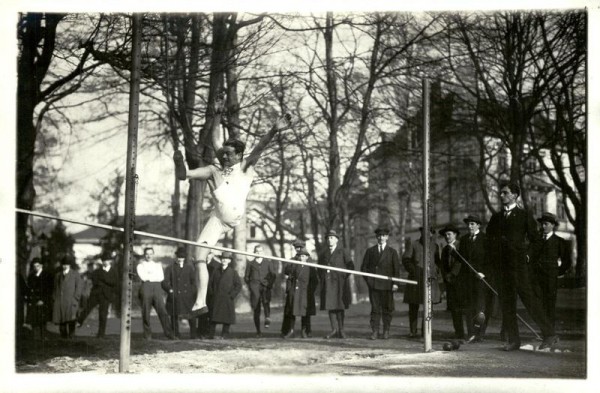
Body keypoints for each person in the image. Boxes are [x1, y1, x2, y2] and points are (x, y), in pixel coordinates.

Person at [173, 112, 291, 318]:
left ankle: (186, 173)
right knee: (198, 256)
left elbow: (260, 146)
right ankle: (200, 303)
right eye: (224, 154)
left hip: (232, 209)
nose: (225, 157)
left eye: (228, 154)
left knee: (211, 169)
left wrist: (274, 129)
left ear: (239, 156)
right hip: (219, 216)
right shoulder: (221, 168)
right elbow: (215, 139)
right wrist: (217, 113)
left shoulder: (245, 166)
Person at [487, 182, 558, 351]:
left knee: (529, 300)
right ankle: (514, 340)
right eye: (501, 193)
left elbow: (536, 240)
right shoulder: (496, 218)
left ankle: (549, 334)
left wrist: (527, 255)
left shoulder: (524, 215)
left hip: (519, 266)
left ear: (514, 195)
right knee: (507, 304)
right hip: (502, 267)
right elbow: (489, 240)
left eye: (505, 193)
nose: (501, 195)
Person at [529, 212, 572, 331]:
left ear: (553, 225)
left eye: (546, 224)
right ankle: (544, 331)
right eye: (542, 224)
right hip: (536, 278)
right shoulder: (536, 241)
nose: (543, 227)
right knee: (538, 305)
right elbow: (530, 258)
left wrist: (556, 273)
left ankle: (550, 332)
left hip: (550, 279)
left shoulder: (559, 241)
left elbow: (566, 261)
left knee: (549, 304)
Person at [458, 214, 495, 343]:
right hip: (467, 279)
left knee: (480, 308)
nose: (470, 226)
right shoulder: (463, 240)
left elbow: (491, 260)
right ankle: (471, 333)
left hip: (481, 278)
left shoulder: (486, 239)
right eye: (468, 224)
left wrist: (484, 273)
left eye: (472, 224)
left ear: (478, 225)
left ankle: (480, 333)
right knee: (469, 307)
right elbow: (462, 260)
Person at [361, 227, 401, 340]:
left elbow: (396, 270)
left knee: (387, 309)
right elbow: (364, 268)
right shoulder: (370, 251)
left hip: (387, 286)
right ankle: (375, 331)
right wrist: (369, 281)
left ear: (387, 237)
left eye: (383, 235)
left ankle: (386, 331)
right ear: (376, 237)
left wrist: (395, 283)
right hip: (374, 286)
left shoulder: (392, 252)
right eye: (379, 235)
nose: (381, 238)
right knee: (375, 309)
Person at [402, 226, 441, 338]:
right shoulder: (414, 244)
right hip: (416, 279)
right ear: (421, 233)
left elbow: (438, 262)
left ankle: (426, 332)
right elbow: (406, 259)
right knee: (413, 306)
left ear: (432, 234)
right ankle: (413, 331)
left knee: (428, 307)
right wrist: (414, 271)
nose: (427, 234)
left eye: (429, 232)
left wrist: (435, 271)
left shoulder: (435, 246)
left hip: (430, 280)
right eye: (424, 232)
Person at [439, 224, 474, 341]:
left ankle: (471, 334)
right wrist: (445, 278)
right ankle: (459, 333)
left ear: (455, 235)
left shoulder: (461, 246)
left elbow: (460, 263)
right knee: (454, 309)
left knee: (466, 308)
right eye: (445, 235)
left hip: (462, 282)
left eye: (449, 234)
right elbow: (443, 266)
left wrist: (452, 274)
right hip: (450, 284)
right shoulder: (445, 249)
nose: (447, 236)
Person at [318, 230, 354, 339]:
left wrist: (343, 276)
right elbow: (319, 268)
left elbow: (351, 266)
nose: (330, 240)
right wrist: (323, 277)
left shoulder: (342, 251)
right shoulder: (323, 253)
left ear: (337, 240)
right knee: (331, 306)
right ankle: (334, 330)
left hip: (339, 284)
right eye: (328, 238)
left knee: (339, 306)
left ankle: (341, 330)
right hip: (328, 284)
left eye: (332, 238)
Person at [136, 247, 175, 340]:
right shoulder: (140, 266)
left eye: (150, 253)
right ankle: (147, 334)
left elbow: (160, 277)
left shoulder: (157, 265)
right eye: (147, 254)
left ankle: (169, 333)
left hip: (157, 288)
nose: (149, 256)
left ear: (153, 254)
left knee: (162, 311)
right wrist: (152, 276)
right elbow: (144, 277)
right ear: (144, 255)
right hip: (146, 287)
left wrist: (150, 275)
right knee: (146, 312)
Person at [77, 251, 119, 338]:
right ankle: (79, 321)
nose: (105, 262)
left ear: (110, 261)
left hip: (106, 295)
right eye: (103, 260)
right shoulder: (97, 271)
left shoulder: (114, 271)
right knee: (87, 308)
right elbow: (95, 281)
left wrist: (103, 280)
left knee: (103, 315)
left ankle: (101, 334)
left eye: (107, 260)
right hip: (96, 294)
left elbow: (114, 282)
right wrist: (106, 282)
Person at [162, 247, 198, 339]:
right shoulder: (170, 268)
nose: (180, 259)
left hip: (187, 296)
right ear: (176, 257)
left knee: (191, 315)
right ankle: (175, 334)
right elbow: (165, 282)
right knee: (174, 315)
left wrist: (192, 292)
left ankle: (193, 334)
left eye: (182, 257)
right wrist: (170, 290)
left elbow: (193, 282)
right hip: (175, 295)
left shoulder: (189, 268)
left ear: (185, 258)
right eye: (178, 256)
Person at [207, 252, 242, 339]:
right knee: (213, 318)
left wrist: (232, 295)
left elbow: (238, 285)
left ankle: (224, 334)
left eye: (226, 259)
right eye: (223, 258)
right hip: (216, 298)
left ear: (229, 261)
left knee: (227, 318)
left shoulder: (233, 272)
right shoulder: (216, 271)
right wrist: (212, 294)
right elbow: (210, 283)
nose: (224, 260)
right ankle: (211, 334)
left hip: (227, 298)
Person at [244, 245, 277, 337]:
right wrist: (251, 285)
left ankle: (267, 318)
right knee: (256, 309)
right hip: (255, 288)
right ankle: (258, 331)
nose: (259, 253)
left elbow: (273, 275)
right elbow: (246, 277)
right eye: (257, 251)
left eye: (260, 251)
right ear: (254, 252)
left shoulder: (268, 262)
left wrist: (269, 285)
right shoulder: (250, 264)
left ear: (263, 252)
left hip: (266, 287)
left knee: (266, 303)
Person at [52, 255, 83, 339]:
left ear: (70, 265)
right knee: (61, 319)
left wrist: (75, 298)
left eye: (67, 264)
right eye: (63, 264)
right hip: (60, 301)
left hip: (71, 300)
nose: (65, 266)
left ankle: (71, 335)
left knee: (71, 319)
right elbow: (55, 288)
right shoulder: (58, 275)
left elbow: (79, 287)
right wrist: (55, 298)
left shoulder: (75, 275)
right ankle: (63, 336)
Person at [26, 258, 53, 340]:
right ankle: (35, 338)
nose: (36, 268)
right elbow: (29, 288)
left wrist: (43, 300)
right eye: (34, 266)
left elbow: (49, 289)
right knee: (34, 319)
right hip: (34, 300)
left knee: (42, 320)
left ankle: (43, 337)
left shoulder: (47, 275)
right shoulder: (31, 276)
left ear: (41, 266)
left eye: (37, 266)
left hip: (43, 301)